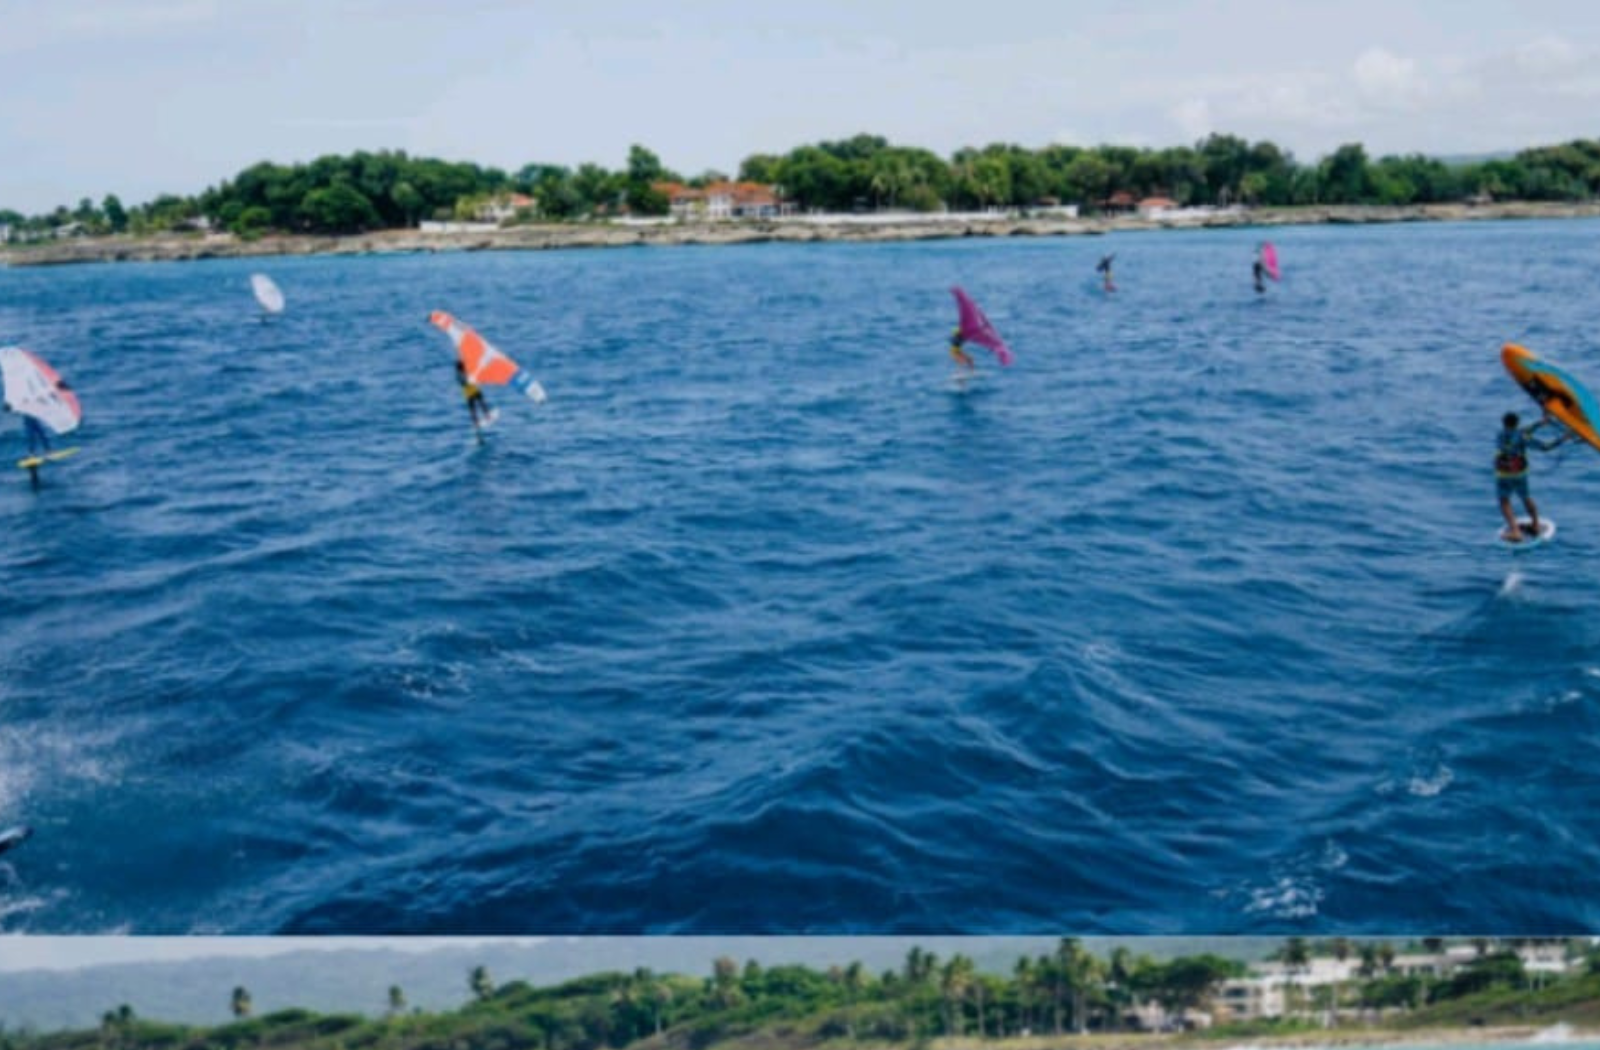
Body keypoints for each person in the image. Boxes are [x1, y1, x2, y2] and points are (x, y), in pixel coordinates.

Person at [1496, 411, 1565, 541]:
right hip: (1519, 474)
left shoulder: (1500, 435)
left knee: (1504, 501)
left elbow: (1523, 431)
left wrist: (1540, 423)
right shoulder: (1522, 436)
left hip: (1503, 474)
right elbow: (1544, 447)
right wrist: (1562, 439)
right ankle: (1535, 525)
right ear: (1517, 424)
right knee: (1526, 498)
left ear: (1504, 423)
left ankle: (1515, 531)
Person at [456, 359, 493, 427]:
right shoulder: (464, 374)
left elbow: (463, 383)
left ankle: (477, 421)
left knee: (474, 408)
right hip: (473, 391)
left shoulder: (460, 375)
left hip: (469, 393)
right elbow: (465, 382)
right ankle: (486, 416)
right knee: (480, 404)